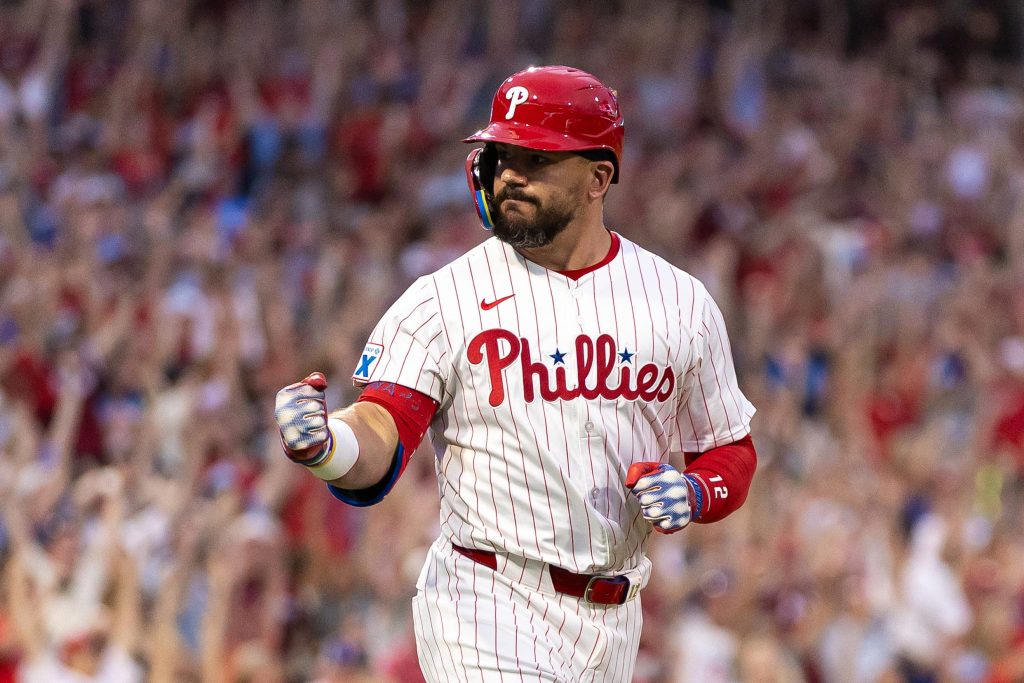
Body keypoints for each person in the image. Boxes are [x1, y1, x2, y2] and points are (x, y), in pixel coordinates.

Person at [274, 65, 758, 682]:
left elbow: (729, 450)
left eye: (536, 160)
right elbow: (382, 427)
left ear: (598, 177)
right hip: (485, 599)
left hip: (615, 615)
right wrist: (330, 446)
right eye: (502, 156)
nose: (510, 175)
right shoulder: (445, 298)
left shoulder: (679, 302)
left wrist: (695, 492)